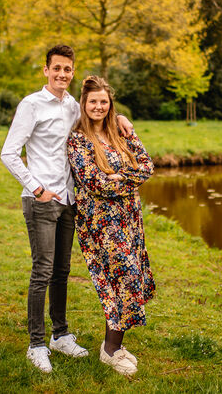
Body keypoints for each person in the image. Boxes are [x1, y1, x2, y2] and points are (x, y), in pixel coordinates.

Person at [1, 45, 133, 373]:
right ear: (46, 70)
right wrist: (36, 188)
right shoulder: (31, 105)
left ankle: (60, 335)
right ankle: (36, 344)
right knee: (42, 272)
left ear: (73, 72)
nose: (62, 74)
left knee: (61, 272)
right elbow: (9, 152)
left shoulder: (73, 106)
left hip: (68, 201)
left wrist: (119, 117)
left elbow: (97, 117)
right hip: (41, 201)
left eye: (68, 69)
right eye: (57, 68)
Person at [67, 75, 155, 376]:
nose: (98, 106)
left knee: (129, 278)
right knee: (122, 279)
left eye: (103, 101)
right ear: (84, 103)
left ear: (110, 103)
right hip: (101, 223)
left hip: (129, 219)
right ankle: (111, 350)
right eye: (93, 101)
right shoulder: (78, 140)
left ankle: (112, 346)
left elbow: (147, 166)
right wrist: (126, 180)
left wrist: (122, 178)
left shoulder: (120, 131)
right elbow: (95, 183)